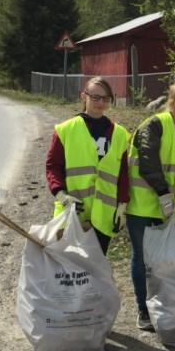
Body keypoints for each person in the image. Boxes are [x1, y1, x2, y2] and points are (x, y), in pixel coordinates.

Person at [126, 81, 175, 331]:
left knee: (161, 261)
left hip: (164, 207)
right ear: (172, 102)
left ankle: (158, 305)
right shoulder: (155, 125)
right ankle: (143, 310)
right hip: (141, 203)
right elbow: (147, 161)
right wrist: (162, 193)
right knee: (142, 257)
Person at [46, 76, 129, 256]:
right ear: (83, 96)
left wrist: (123, 205)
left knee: (95, 270)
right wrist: (60, 194)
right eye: (95, 97)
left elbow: (123, 173)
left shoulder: (120, 134)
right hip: (72, 212)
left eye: (105, 98)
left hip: (104, 215)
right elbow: (53, 166)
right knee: (69, 271)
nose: (100, 102)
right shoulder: (66, 129)